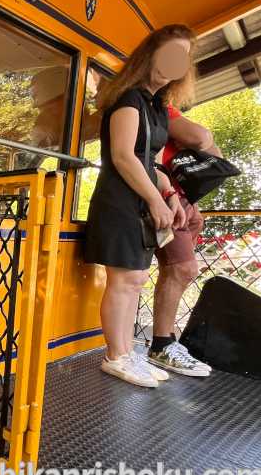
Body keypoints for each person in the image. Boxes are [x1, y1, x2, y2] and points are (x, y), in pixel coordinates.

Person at [83, 24, 198, 388]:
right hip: (120, 200)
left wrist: (169, 195)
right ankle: (115, 356)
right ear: (149, 55)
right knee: (125, 280)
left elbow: (151, 162)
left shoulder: (158, 107)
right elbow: (122, 155)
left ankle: (125, 353)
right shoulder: (129, 98)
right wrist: (153, 197)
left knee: (135, 280)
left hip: (141, 199)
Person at [147, 107, 222, 376]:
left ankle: (164, 340)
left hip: (177, 196)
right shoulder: (161, 110)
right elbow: (200, 138)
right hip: (164, 196)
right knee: (182, 268)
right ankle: (161, 344)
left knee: (177, 269)